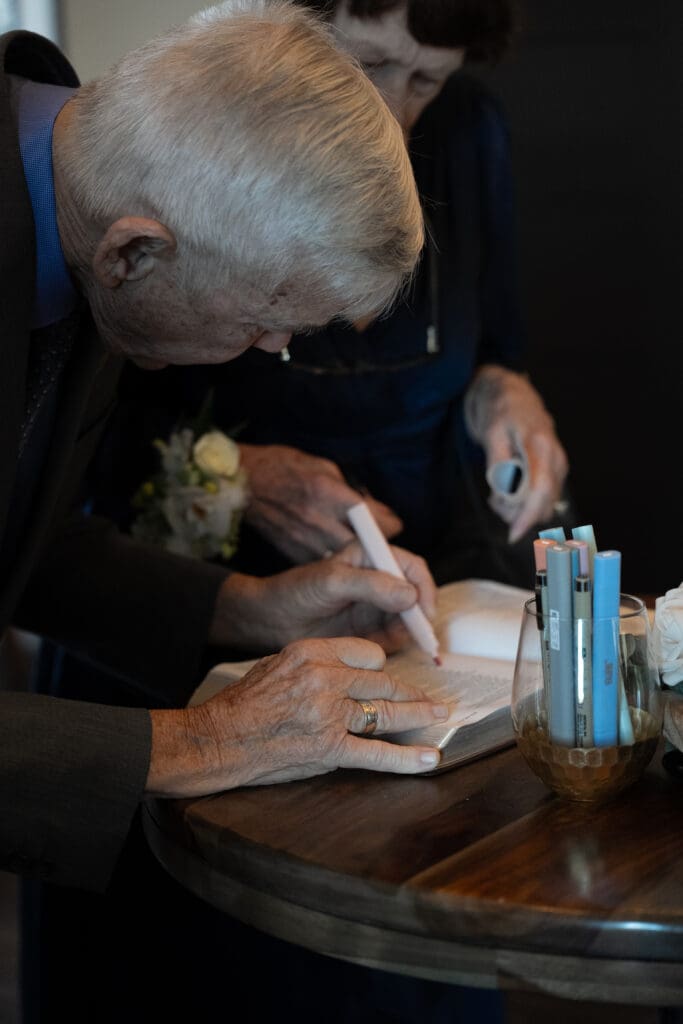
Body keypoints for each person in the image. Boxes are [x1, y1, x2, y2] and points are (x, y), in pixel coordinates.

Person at [0, 0, 451, 906]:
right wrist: (198, 741)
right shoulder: (118, 240)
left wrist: (251, 610)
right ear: (137, 252)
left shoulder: (89, 211)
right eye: (259, 321)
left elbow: (21, 543)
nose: (269, 353)